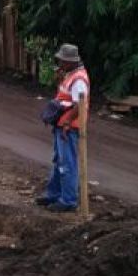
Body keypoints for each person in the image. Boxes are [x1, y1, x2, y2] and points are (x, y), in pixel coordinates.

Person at [36, 43, 90, 212]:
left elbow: (77, 105)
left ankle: (68, 200)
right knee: (59, 161)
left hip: (69, 127)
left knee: (67, 164)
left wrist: (67, 122)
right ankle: (54, 194)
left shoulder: (79, 79)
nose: (59, 63)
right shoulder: (71, 75)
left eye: (62, 61)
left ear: (70, 61)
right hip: (62, 125)